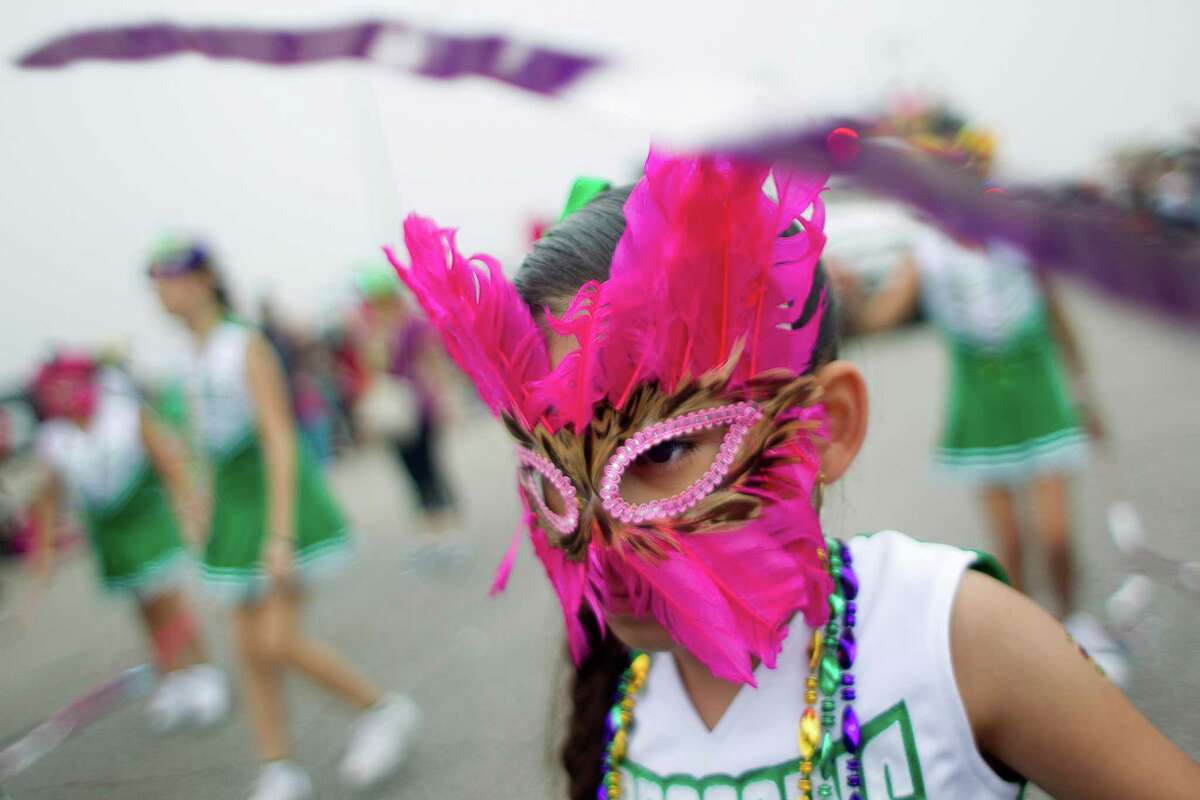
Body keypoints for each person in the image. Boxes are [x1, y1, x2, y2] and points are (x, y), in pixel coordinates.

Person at [389, 153, 1200, 799]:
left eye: (663, 453)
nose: (602, 544)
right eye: (553, 481)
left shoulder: (952, 639)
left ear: (828, 426)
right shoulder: (615, 706)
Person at [148, 239, 418, 800]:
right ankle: (278, 764)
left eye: (169, 277)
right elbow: (203, 444)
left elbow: (277, 438)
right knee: (249, 648)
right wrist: (200, 505)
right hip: (234, 509)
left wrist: (279, 533)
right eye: (155, 280)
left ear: (202, 280)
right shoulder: (189, 357)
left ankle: (381, 709)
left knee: (276, 639)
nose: (161, 291)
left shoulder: (241, 344)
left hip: (280, 504)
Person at [834, 211, 1123, 672]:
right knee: (1010, 546)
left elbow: (1059, 319)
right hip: (980, 407)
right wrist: (847, 296)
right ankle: (1031, 645)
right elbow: (880, 318)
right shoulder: (926, 252)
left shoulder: (1018, 239)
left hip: (1040, 395)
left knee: (1056, 537)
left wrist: (1084, 393)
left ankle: (1073, 622)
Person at [26, 352, 229, 732]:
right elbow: (49, 499)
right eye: (53, 391)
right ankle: (174, 676)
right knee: (145, 608)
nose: (62, 396)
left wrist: (193, 511)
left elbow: (171, 464)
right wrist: (44, 558)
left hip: (149, 524)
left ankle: (204, 672)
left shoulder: (127, 417)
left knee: (169, 602)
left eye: (68, 386)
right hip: (112, 537)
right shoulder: (54, 439)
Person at [351, 261, 463, 559]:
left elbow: (433, 361)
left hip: (419, 406)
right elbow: (371, 369)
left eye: (381, 299)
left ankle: (448, 527)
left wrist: (443, 399)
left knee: (429, 466)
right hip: (392, 412)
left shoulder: (414, 324)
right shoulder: (371, 332)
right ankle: (428, 529)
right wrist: (378, 341)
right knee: (409, 471)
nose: (378, 305)